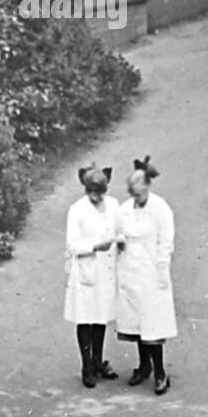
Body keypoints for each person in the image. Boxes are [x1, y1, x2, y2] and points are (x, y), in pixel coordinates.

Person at [115, 156, 177, 396]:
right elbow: (118, 231)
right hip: (130, 270)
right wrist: (120, 240)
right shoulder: (125, 209)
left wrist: (161, 270)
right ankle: (144, 366)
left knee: (152, 324)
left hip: (151, 271)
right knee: (137, 322)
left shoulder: (160, 209)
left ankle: (160, 372)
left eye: (139, 194)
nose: (136, 199)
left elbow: (166, 242)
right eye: (133, 195)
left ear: (148, 187)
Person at [64, 164, 120, 388]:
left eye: (100, 191)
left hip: (106, 270)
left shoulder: (113, 205)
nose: (97, 196)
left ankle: (98, 361)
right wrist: (95, 246)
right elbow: (72, 244)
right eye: (92, 191)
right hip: (87, 270)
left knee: (101, 316)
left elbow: (120, 229)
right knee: (85, 317)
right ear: (86, 189)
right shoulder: (77, 210)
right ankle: (86, 366)